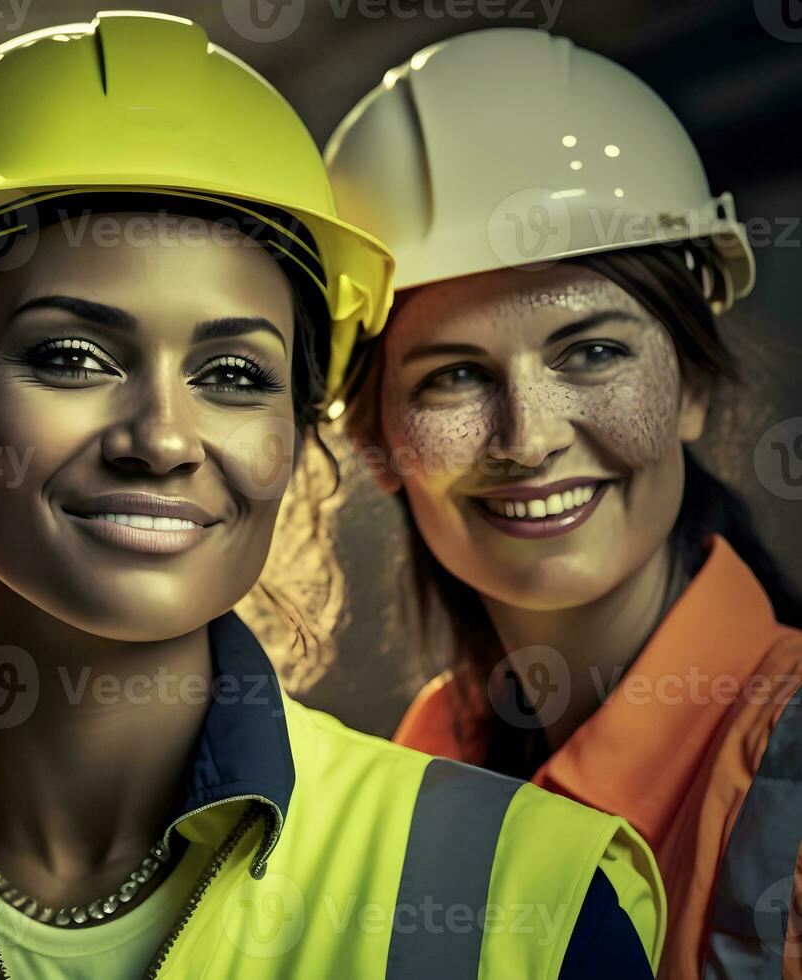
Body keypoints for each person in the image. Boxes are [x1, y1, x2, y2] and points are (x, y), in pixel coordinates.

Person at [0, 13, 664, 978]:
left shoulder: (525, 906)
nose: (162, 437)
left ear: (295, 434)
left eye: (233, 375)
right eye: (74, 357)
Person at [326, 28, 802, 978]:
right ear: (377, 443)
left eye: (592, 352)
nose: (530, 436)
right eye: (454, 376)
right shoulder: (424, 766)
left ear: (692, 389)